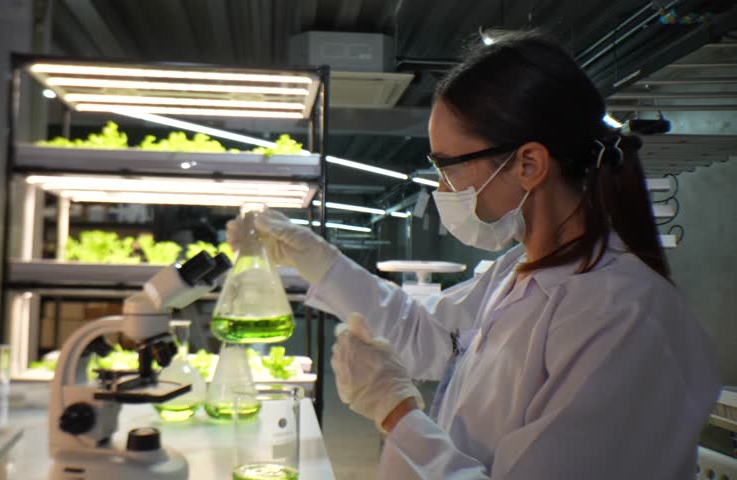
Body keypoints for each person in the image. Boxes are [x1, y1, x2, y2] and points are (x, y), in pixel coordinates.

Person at [227, 30, 720, 479]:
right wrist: (316, 259)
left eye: (448, 166)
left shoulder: (623, 317)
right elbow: (428, 337)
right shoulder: (516, 272)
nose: (442, 187)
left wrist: (396, 411)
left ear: (528, 164)